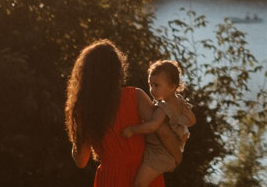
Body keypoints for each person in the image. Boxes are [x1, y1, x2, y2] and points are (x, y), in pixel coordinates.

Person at [65, 39, 164, 187]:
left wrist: (76, 133)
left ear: (85, 73)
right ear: (117, 69)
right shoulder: (135, 96)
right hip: (145, 174)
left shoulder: (84, 109)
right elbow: (163, 133)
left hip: (110, 179)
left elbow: (81, 160)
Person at [121, 59, 196, 187]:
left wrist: (132, 130)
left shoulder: (163, 107)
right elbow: (192, 121)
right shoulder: (180, 101)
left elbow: (154, 126)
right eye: (150, 85)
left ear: (172, 87)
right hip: (170, 152)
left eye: (156, 85)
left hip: (159, 154)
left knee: (139, 184)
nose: (152, 90)